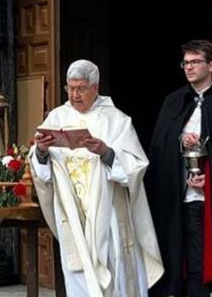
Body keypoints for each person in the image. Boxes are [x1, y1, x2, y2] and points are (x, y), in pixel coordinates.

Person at [30, 59, 163, 297]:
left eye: (80, 88)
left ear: (95, 87)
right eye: (70, 88)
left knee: (114, 270)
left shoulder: (116, 120)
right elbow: (41, 170)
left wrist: (106, 153)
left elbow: (135, 167)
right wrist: (40, 151)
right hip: (71, 210)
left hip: (107, 212)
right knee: (78, 275)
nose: (74, 95)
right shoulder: (57, 118)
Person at [145, 41, 212, 297]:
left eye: (194, 62)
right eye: (185, 63)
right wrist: (180, 138)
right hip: (185, 194)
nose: (188, 67)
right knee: (191, 252)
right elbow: (160, 146)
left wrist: (211, 169)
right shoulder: (173, 102)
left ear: (211, 65)